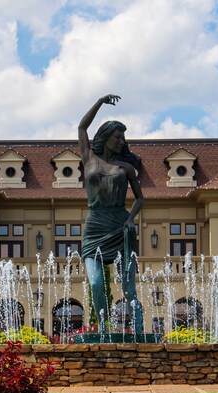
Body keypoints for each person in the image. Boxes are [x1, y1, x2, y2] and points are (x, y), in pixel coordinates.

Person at [78, 94, 145, 333]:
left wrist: (130, 220)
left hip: (119, 225)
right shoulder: (88, 159)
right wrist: (99, 101)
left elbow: (140, 199)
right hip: (95, 225)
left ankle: (138, 329)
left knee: (129, 288)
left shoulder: (126, 168)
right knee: (96, 282)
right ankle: (103, 327)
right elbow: (82, 127)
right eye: (118, 137)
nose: (121, 141)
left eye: (123, 138)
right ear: (106, 138)